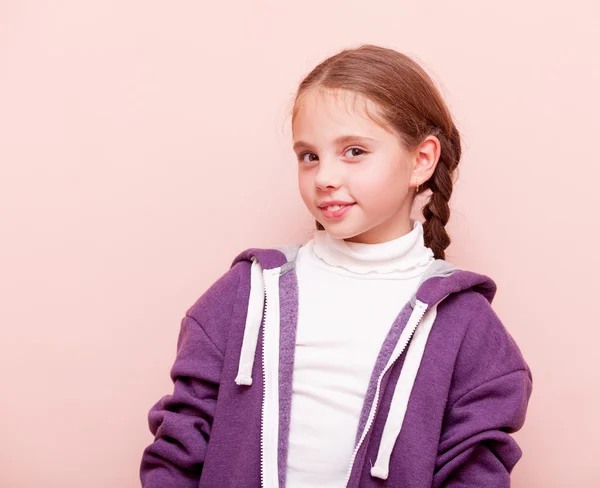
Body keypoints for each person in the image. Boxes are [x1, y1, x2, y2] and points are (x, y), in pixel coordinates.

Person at [139, 44, 533, 488]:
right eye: (309, 156)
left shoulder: (467, 325)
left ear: (421, 160)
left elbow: (475, 470)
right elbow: (177, 448)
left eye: (354, 151)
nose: (325, 176)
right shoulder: (244, 294)